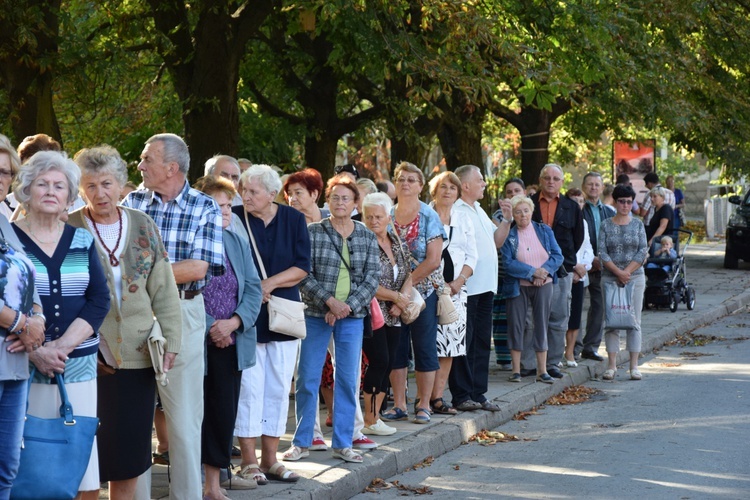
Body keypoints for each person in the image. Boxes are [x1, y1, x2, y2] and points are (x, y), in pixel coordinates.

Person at [69, 145, 183, 499]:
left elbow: (163, 289)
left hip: (138, 353)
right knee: (86, 455)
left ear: (122, 185)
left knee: (130, 454)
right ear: (80, 190)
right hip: (86, 356)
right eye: (90, 186)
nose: (100, 193)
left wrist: (172, 343)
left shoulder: (143, 224)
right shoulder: (69, 225)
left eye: (106, 183)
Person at [123, 133, 225, 499]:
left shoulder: (204, 206)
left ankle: (187, 496)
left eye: (146, 158)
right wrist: (151, 274)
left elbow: (199, 268)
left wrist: (143, 275)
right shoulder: (131, 202)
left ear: (171, 167)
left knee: (182, 420)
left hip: (184, 311)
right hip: (133, 313)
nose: (139, 165)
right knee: (134, 419)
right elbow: (116, 261)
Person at [12, 150, 110, 500]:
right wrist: (37, 353)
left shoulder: (82, 241)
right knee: (30, 462)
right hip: (21, 364)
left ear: (70, 196)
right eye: (42, 184)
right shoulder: (7, 242)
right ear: (26, 190)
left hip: (77, 363)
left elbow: (100, 300)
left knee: (78, 456)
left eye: (60, 186)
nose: (51, 191)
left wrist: (59, 348)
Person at [287, 174, 379, 464]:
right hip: (316, 314)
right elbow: (303, 273)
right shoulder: (313, 231)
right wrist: (329, 301)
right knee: (308, 378)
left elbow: (372, 278)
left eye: (346, 198)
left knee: (348, 380)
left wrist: (345, 307)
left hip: (351, 317)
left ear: (355, 203)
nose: (340, 202)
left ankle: (343, 442)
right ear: (327, 201)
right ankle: (301, 442)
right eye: (335, 197)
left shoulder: (365, 234)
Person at [233, 164, 310, 485]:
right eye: (244, 190)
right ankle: (248, 461)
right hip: (247, 313)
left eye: (252, 191)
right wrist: (254, 288)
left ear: (271, 193)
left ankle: (271, 459)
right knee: (249, 388)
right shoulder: (235, 217)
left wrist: (268, 284)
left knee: (278, 387)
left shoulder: (293, 219)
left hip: (283, 312)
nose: (245, 196)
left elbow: (302, 266)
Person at [193, 176, 262, 498]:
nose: (225, 211)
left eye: (227, 205)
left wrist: (233, 323)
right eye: (217, 205)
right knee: (193, 415)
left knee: (223, 413)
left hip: (232, 340)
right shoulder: (189, 240)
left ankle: (212, 485)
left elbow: (252, 286)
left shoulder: (235, 239)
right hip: (196, 340)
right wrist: (212, 325)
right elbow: (182, 292)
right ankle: (191, 481)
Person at [381, 161, 445, 424]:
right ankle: (399, 405)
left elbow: (433, 260)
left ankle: (424, 404)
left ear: (420, 185)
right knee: (395, 349)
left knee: (424, 348)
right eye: (400, 179)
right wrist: (396, 293)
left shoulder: (429, 215)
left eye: (411, 179)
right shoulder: (386, 214)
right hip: (389, 293)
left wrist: (408, 286)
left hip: (423, 293)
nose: (405, 183)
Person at [0, 134, 45, 498]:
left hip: (14, 361)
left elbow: (27, 277)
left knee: (7, 465)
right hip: (11, 341)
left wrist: (38, 319)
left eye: (4, 172)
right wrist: (20, 324)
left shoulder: (5, 222)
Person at [449, 165, 511, 411]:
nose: (484, 183)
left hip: (486, 286)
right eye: (480, 180)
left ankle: (478, 392)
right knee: (465, 342)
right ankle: (462, 395)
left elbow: (496, 241)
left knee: (482, 341)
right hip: (467, 287)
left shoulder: (478, 209)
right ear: (465, 185)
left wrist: (506, 220)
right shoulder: (456, 210)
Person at [361, 193, 412, 435]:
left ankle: (376, 416)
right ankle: (369, 419)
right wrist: (394, 297)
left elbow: (408, 273)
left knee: (389, 362)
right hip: (372, 312)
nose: (373, 221)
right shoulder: (361, 241)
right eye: (368, 216)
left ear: (388, 217)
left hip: (395, 312)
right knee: (379, 360)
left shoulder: (397, 241)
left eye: (378, 216)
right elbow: (365, 281)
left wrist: (401, 302)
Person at [527, 163, 583, 378]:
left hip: (561, 270)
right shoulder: (529, 204)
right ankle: (531, 363)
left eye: (555, 178)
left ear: (561, 182)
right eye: (547, 177)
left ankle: (552, 363)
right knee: (532, 318)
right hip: (533, 270)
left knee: (558, 316)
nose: (551, 181)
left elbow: (577, 238)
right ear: (540, 180)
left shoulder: (571, 207)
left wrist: (565, 261)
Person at [428, 172, 476, 414]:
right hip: (425, 288)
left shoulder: (463, 218)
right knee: (427, 344)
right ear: (434, 191)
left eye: (452, 188)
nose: (447, 191)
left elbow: (471, 256)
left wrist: (459, 281)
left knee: (450, 345)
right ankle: (422, 400)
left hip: (455, 290)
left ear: (458, 193)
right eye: (442, 187)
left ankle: (437, 398)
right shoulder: (424, 215)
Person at [501, 195, 563, 383]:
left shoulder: (544, 230)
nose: (522, 215)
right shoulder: (508, 235)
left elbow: (557, 255)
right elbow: (508, 263)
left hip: (543, 284)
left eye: (526, 211)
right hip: (517, 286)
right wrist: (531, 273)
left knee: (541, 325)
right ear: (513, 215)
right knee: (517, 325)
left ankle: (542, 370)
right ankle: (516, 370)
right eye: (518, 212)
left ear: (531, 211)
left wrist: (543, 272)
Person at [599, 184, 648, 381]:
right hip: (610, 278)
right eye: (622, 201)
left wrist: (626, 272)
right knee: (612, 321)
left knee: (634, 320)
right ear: (615, 201)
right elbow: (602, 251)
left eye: (629, 201)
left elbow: (642, 250)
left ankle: (634, 366)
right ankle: (611, 365)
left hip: (634, 277)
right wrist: (618, 272)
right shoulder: (605, 224)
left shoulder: (638, 225)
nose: (625, 205)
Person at [577, 172, 616, 362]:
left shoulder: (609, 212)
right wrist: (589, 259)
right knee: (575, 307)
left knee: (599, 308)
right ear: (584, 187)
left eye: (597, 185)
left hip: (603, 266)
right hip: (582, 266)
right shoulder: (577, 209)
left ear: (602, 188)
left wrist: (604, 260)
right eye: (590, 184)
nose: (593, 187)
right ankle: (573, 348)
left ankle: (590, 347)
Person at [492, 178, 525, 369]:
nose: (513, 195)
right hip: (500, 274)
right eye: (509, 192)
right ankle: (503, 358)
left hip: (523, 274)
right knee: (500, 317)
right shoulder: (498, 215)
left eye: (517, 191)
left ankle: (521, 359)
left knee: (519, 318)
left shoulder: (528, 213)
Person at [563, 188, 594, 367]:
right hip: (564, 273)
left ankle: (570, 353)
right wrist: (573, 267)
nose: (577, 204)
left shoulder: (583, 222)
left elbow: (588, 249)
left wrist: (583, 268)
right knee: (560, 316)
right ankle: (555, 352)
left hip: (579, 275)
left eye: (580, 201)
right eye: (574, 201)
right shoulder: (562, 221)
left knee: (575, 316)